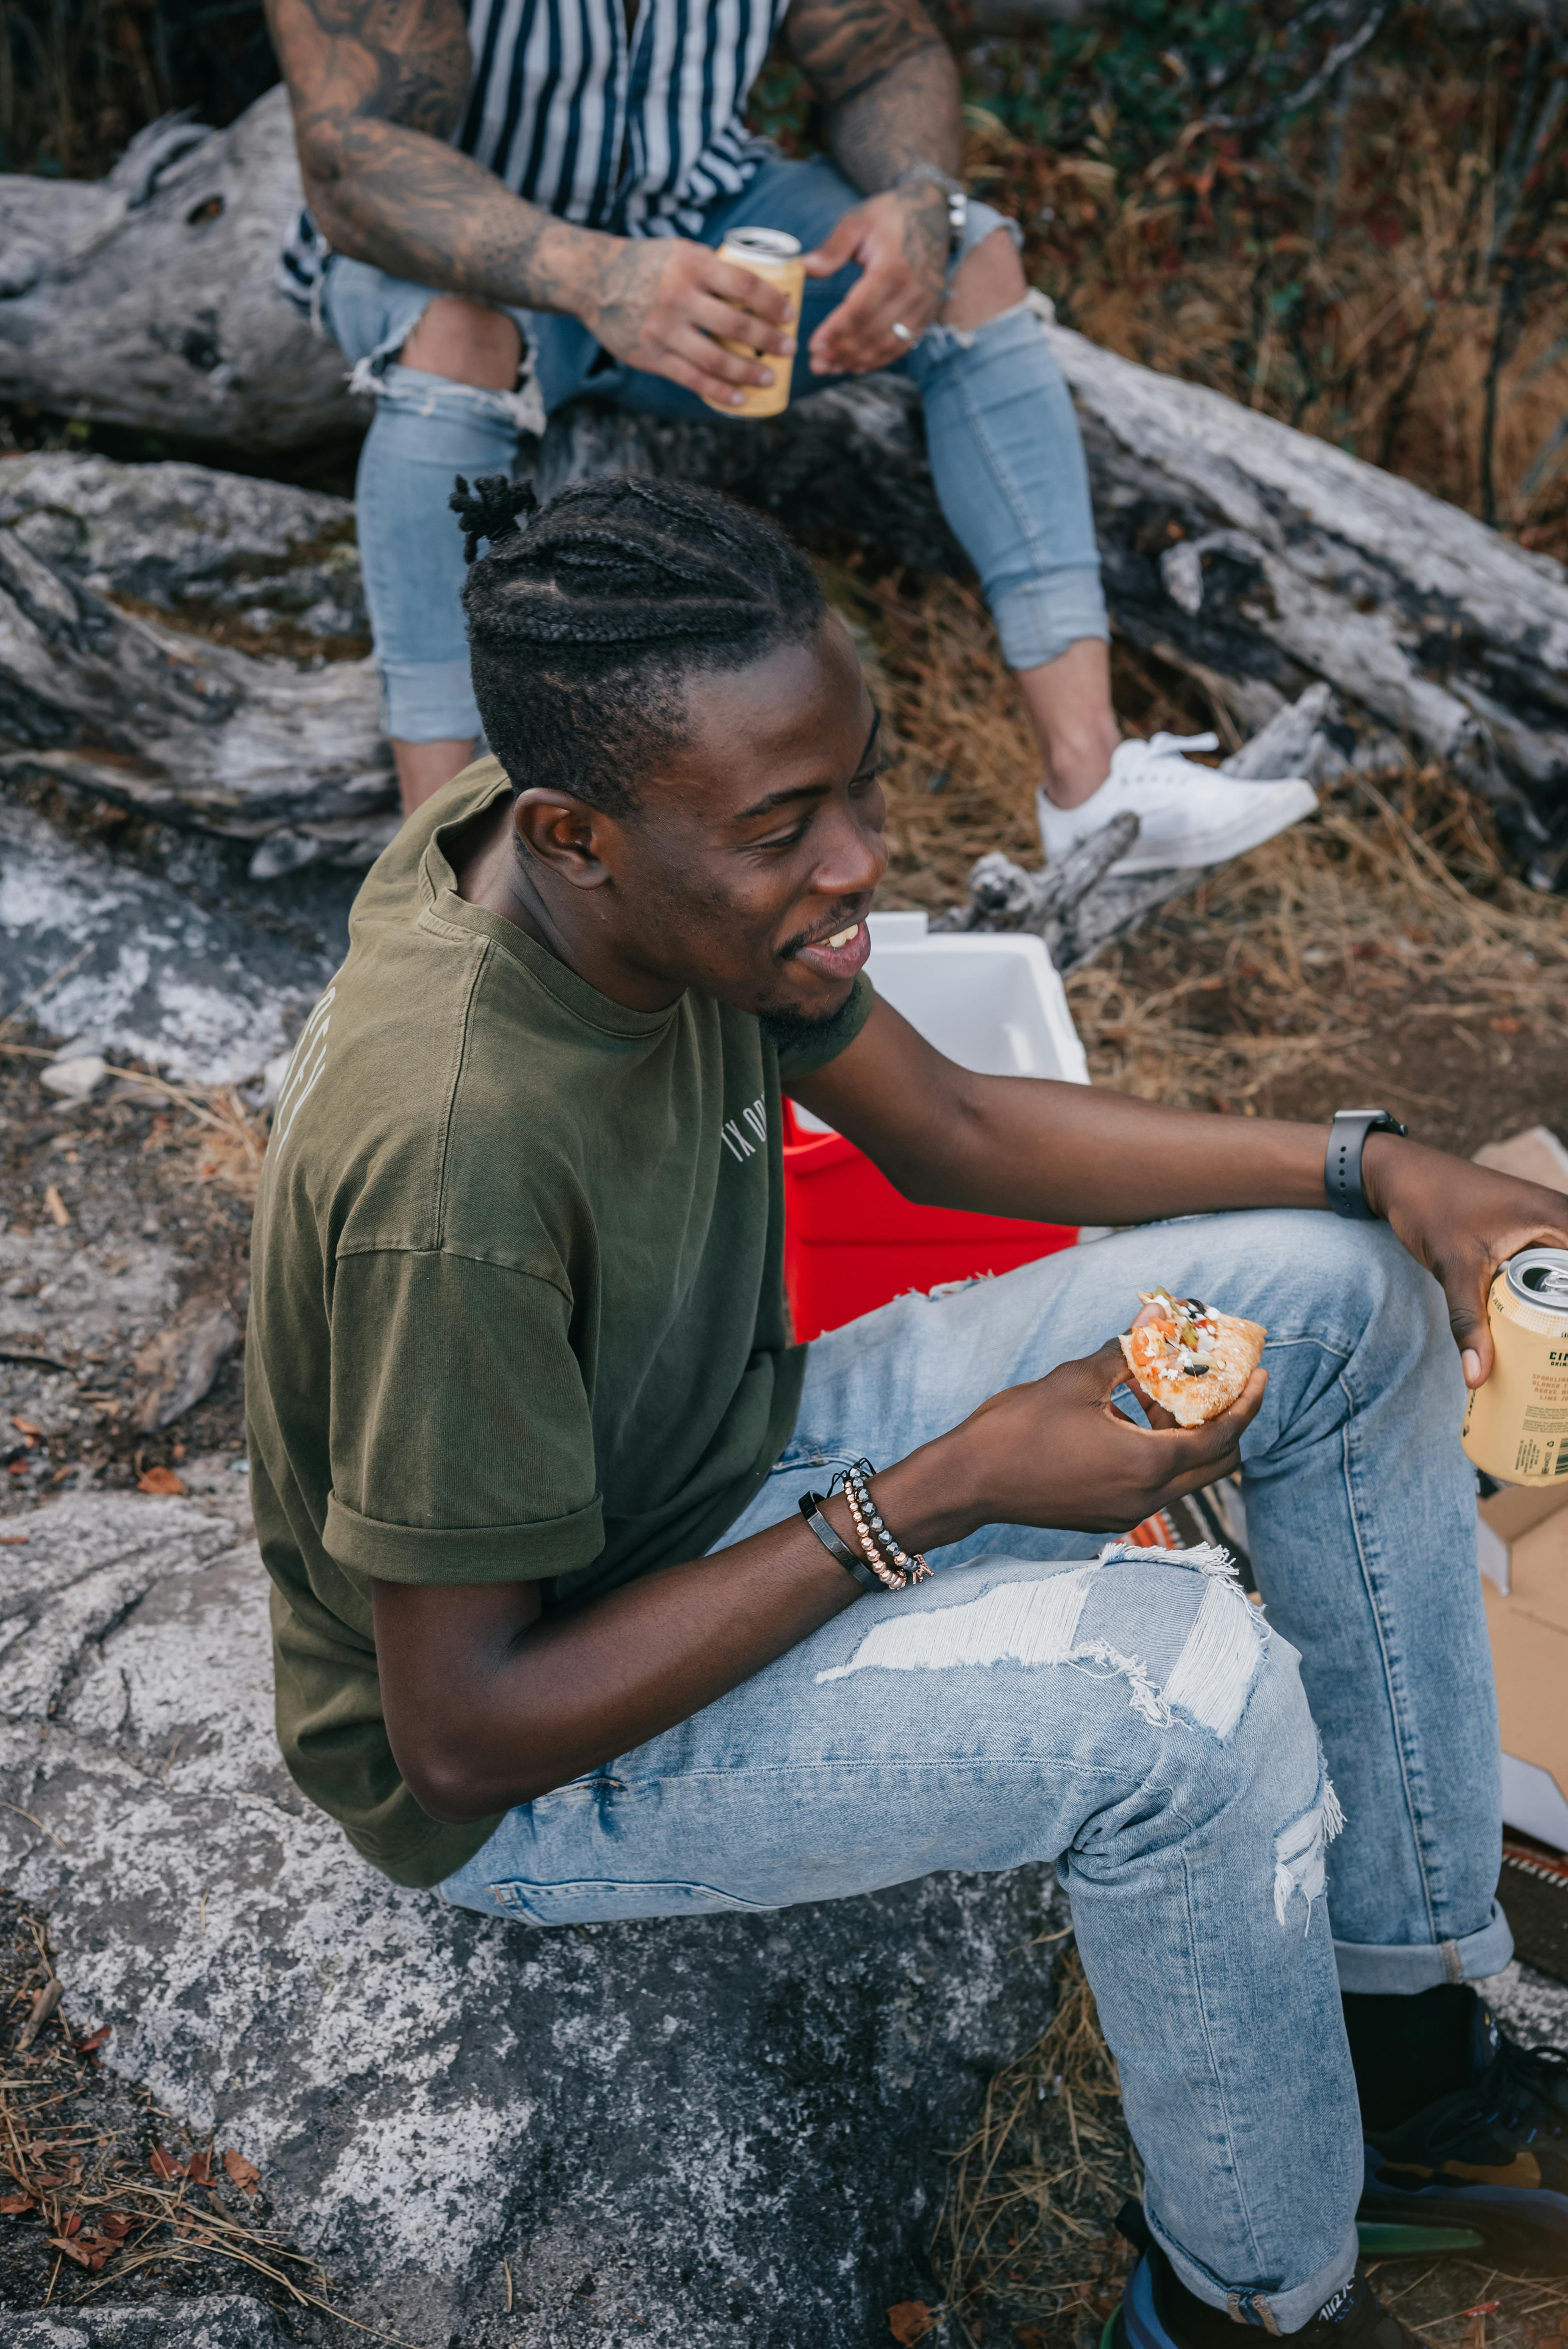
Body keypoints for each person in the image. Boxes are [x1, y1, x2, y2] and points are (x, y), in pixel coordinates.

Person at [247, 473, 1568, 2349]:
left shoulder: (614, 856)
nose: (861, 858)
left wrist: (1378, 1165)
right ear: (576, 835)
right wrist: (936, 1492)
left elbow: (948, 1127)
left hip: (707, 1475)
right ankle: (1240, 2307)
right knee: (1179, 1702)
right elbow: (461, 1736)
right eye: (792, 825)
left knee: (1339, 1299)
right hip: (544, 1742)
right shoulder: (452, 1159)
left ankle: (1405, 2046)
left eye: (855, 786)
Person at [266, 0, 1317, 867]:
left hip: (699, 224)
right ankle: (440, 875)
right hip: (461, 253)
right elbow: (356, 160)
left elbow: (886, 52)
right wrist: (592, 274)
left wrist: (919, 197)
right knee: (461, 333)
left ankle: (1090, 780)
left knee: (974, 255)